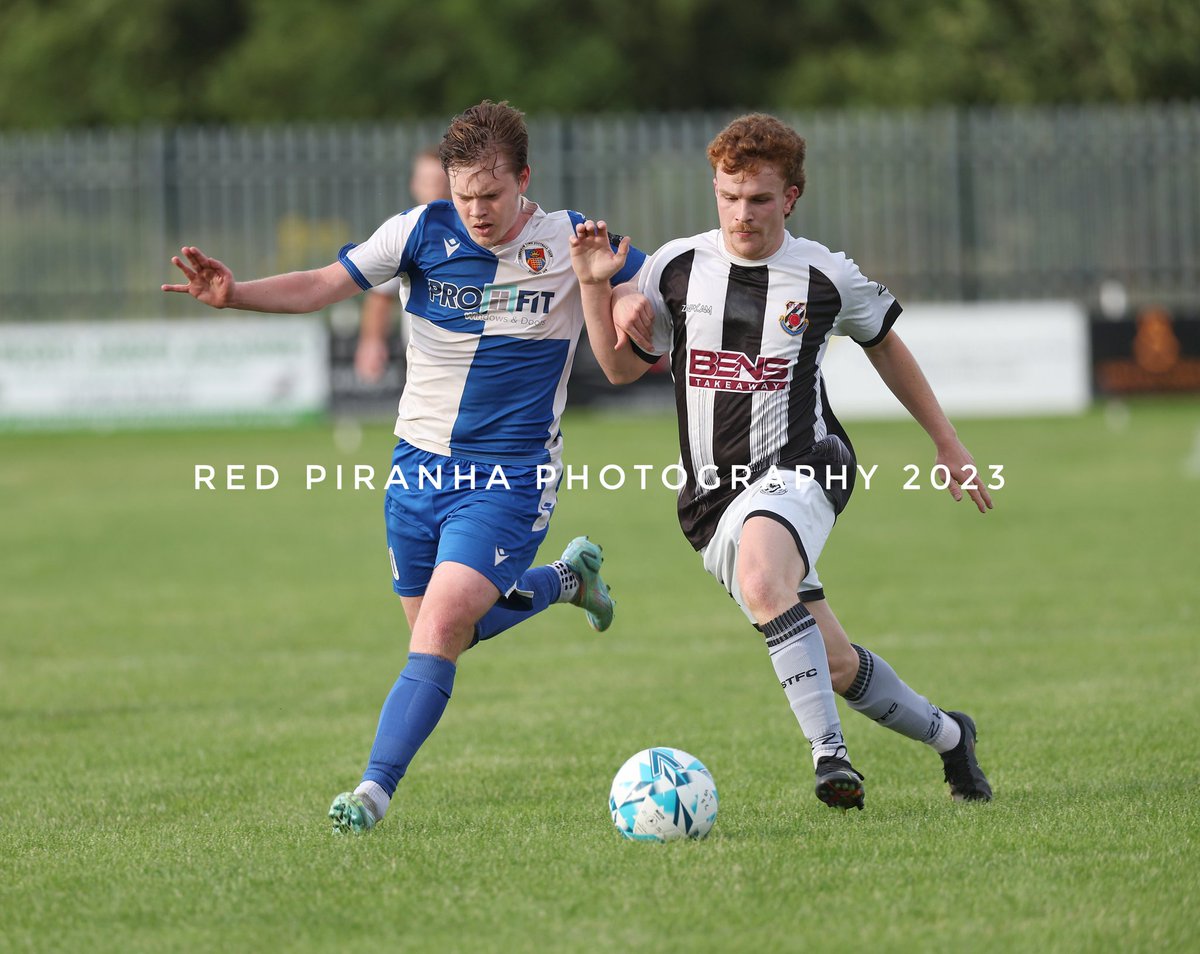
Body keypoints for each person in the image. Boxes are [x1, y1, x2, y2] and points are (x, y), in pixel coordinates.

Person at [163, 100, 646, 832]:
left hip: (509, 477)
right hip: (416, 471)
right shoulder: (420, 230)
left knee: (443, 624)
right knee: (445, 633)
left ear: (524, 178)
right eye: (464, 196)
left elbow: (644, 290)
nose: (476, 211)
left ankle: (371, 792)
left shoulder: (572, 240)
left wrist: (626, 303)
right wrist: (237, 296)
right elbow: (325, 284)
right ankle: (567, 581)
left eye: (491, 195)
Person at [568, 112, 993, 812]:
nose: (743, 214)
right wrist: (593, 286)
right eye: (730, 197)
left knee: (766, 579)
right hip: (711, 502)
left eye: (760, 199)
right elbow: (617, 368)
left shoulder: (825, 276)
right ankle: (951, 736)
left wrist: (945, 441)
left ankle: (830, 759)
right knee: (833, 661)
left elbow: (886, 343)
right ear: (714, 190)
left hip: (807, 464)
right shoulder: (677, 267)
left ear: (790, 196)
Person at [354, 147, 452, 383]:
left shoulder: (478, 227)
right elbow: (380, 293)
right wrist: (372, 341)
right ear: (414, 185)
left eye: (439, 181)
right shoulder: (402, 231)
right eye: (426, 181)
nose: (434, 188)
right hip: (423, 357)